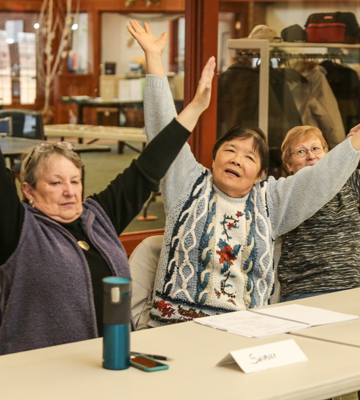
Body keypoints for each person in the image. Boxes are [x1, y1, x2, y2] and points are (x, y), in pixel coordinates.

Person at [127, 19, 360, 327]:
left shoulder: (270, 201)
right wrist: (154, 59)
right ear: (212, 160)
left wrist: (354, 144)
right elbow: (162, 133)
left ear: (262, 173)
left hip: (242, 332)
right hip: (174, 330)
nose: (237, 159)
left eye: (249, 156)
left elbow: (319, 179)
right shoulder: (187, 184)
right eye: (229, 150)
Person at [0, 55, 215, 355]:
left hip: (113, 361)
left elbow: (148, 167)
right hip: (42, 371)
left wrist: (194, 109)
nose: (69, 191)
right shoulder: (19, 230)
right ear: (28, 190)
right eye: (55, 182)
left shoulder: (97, 217)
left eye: (75, 181)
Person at [276, 125, 360, 302]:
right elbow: (319, 179)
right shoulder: (288, 191)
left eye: (316, 148)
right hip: (305, 291)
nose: (311, 155)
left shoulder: (349, 183)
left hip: (352, 288)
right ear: (289, 165)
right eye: (300, 151)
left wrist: (349, 151)